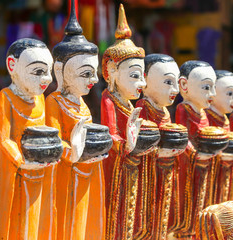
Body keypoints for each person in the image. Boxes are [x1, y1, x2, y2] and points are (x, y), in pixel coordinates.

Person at [45, 1, 105, 238]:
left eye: (95, 72)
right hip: (65, 174)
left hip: (85, 171)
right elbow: (55, 140)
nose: (94, 80)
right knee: (67, 220)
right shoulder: (54, 101)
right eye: (86, 74)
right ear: (60, 71)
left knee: (84, 219)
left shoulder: (82, 104)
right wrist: (72, 151)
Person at [0, 38, 56, 239]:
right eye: (38, 71)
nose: (46, 79)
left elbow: (47, 131)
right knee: (19, 222)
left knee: (39, 220)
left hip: (41, 171)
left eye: (49, 71)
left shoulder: (40, 99)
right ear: (13, 66)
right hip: (19, 172)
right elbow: (4, 139)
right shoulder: (7, 97)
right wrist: (22, 161)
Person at [101, 4, 146, 239]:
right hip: (116, 165)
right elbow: (111, 134)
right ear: (112, 71)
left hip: (132, 164)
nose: (142, 84)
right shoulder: (109, 99)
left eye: (142, 76)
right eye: (134, 76)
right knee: (115, 212)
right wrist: (125, 142)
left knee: (132, 209)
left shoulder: (131, 105)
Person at [136, 53, 183, 239]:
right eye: (168, 82)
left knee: (162, 217)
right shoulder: (143, 109)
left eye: (177, 83)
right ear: (145, 81)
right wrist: (157, 152)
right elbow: (139, 146)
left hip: (164, 173)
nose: (176, 90)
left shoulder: (164, 111)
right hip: (148, 177)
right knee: (147, 218)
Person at [174, 60, 217, 238]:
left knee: (202, 199)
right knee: (188, 201)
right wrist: (196, 154)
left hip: (203, 165)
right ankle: (185, 232)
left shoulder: (203, 113)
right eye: (206, 87)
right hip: (188, 165)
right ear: (184, 85)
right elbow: (184, 139)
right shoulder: (183, 109)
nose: (212, 94)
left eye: (213, 88)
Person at [205, 70, 233, 204]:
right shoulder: (206, 117)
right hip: (211, 170)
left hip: (225, 168)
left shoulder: (226, 119)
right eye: (229, 94)